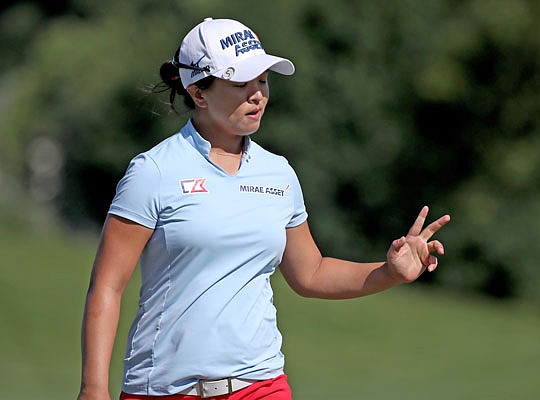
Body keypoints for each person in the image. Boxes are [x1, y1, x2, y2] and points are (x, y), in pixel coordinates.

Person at [77, 17, 450, 400]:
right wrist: (93, 388)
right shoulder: (153, 171)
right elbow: (107, 285)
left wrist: (389, 271)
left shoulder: (279, 173)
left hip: (260, 386)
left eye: (263, 81)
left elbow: (311, 273)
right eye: (241, 84)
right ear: (198, 93)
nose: (258, 95)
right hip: (164, 390)